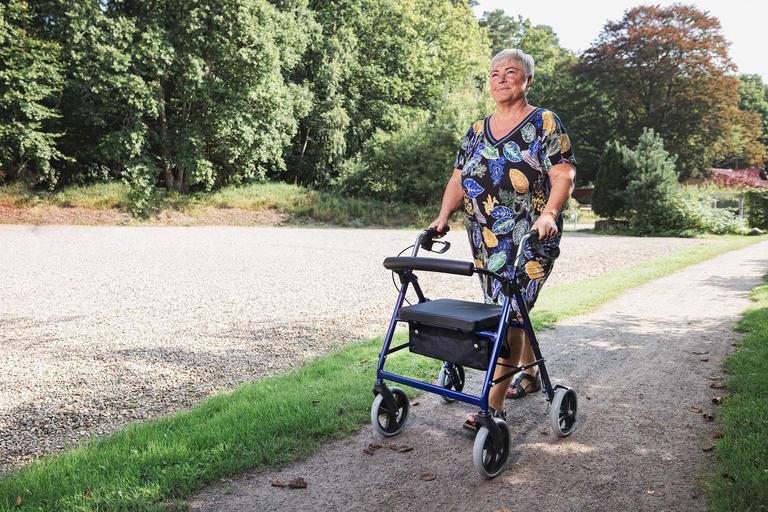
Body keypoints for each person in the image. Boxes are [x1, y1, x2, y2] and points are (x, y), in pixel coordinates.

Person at [429, 48, 576, 425]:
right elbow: (459, 178)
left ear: (528, 80)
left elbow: (563, 174)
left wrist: (549, 213)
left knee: (508, 315)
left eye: (511, 72)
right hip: (486, 240)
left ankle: (491, 407)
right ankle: (529, 372)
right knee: (508, 309)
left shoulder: (544, 122)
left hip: (532, 238)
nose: (501, 79)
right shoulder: (477, 130)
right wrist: (443, 216)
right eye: (495, 73)